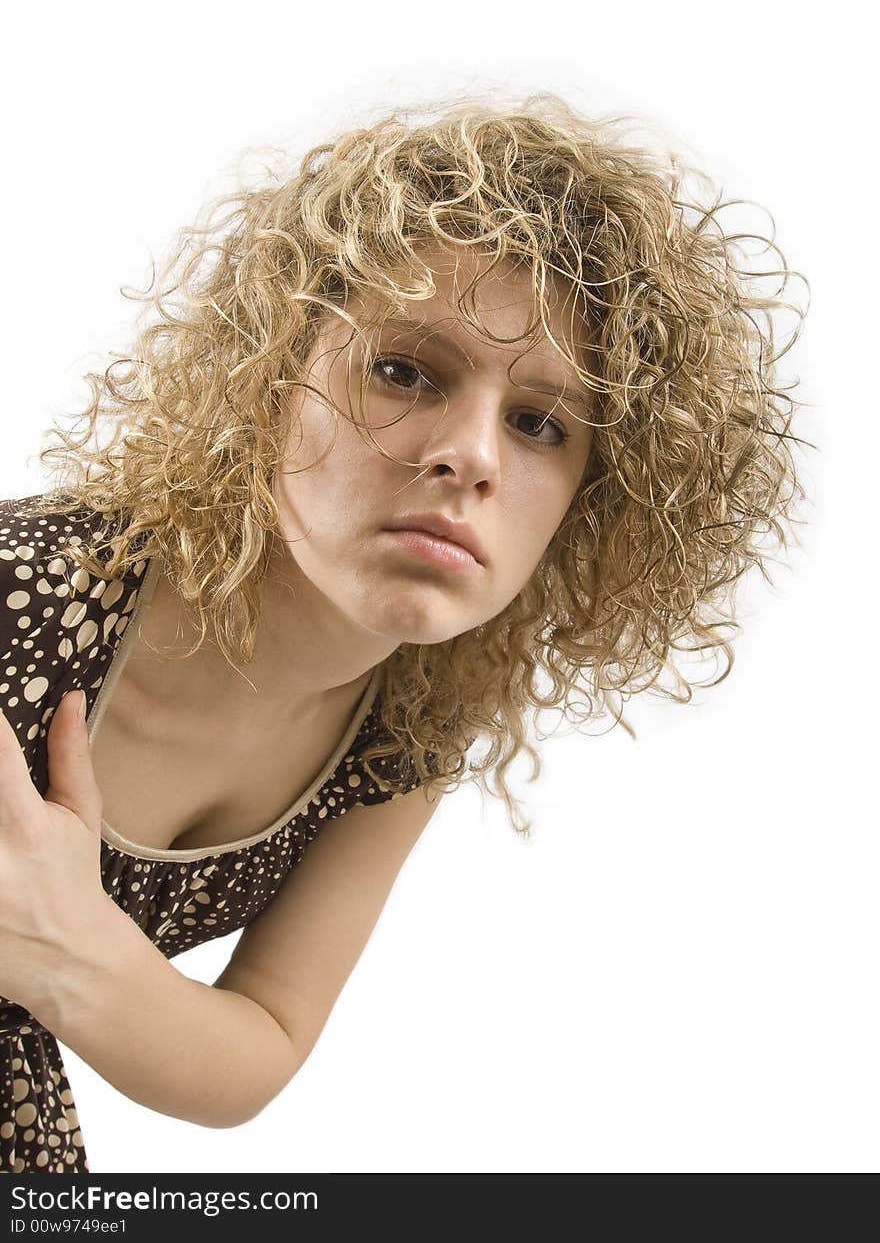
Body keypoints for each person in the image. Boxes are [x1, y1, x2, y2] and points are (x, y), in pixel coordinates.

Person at [0, 93, 810, 1173]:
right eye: (405, 370)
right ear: (267, 372)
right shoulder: (29, 597)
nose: (471, 454)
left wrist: (77, 955)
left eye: (538, 424)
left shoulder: (411, 727)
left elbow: (260, 1045)